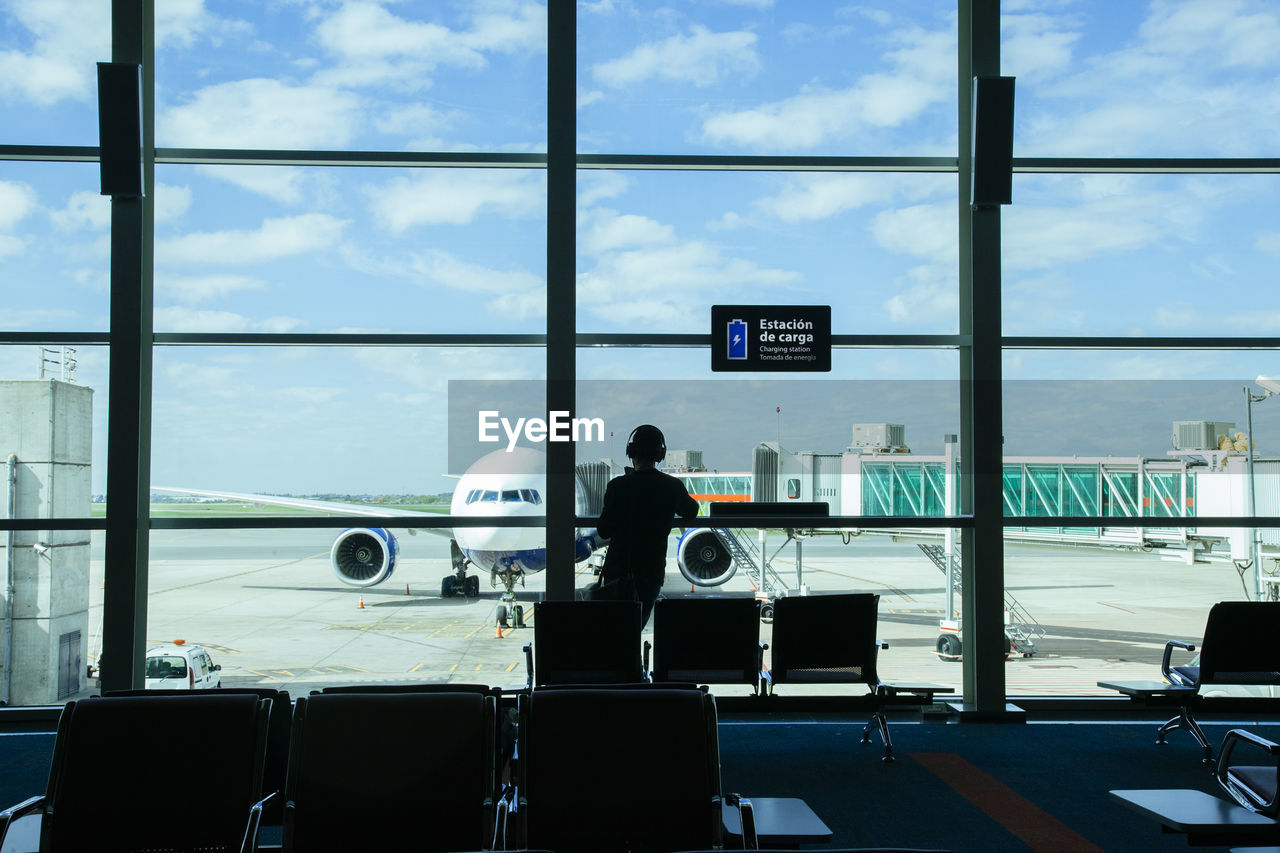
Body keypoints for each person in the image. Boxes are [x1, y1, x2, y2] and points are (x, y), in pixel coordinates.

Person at [595, 424, 700, 627]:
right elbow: (691, 511)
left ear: (631, 452)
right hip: (650, 571)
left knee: (615, 630)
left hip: (618, 569)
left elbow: (603, 530)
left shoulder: (617, 486)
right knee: (636, 626)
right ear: (660, 454)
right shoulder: (672, 486)